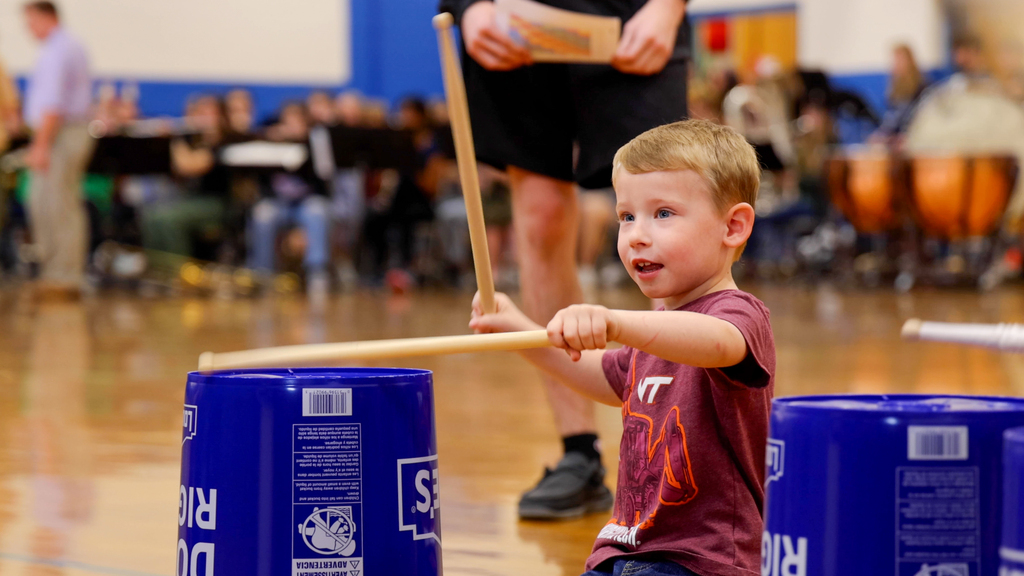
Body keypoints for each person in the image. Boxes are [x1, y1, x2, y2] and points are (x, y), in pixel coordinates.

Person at [470, 120, 774, 576]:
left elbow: (716, 342)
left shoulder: (740, 314)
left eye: (663, 214)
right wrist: (519, 333)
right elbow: (605, 377)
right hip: (625, 548)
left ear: (733, 226)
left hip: (703, 558)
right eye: (626, 216)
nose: (636, 235)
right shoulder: (658, 327)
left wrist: (615, 322)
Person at [439, 0, 691, 519]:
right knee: (542, 217)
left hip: (626, 14)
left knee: (668, 201)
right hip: (517, 27)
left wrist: (668, 7)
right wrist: (470, 7)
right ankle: (579, 453)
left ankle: (686, 441)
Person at [22, 1, 93, 299]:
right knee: (45, 201)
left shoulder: (59, 49)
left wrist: (40, 144)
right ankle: (55, 273)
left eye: (30, 21)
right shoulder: (64, 47)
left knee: (58, 205)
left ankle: (65, 278)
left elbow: (53, 104)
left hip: (61, 134)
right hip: (59, 133)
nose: (27, 29)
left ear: (46, 16)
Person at [870, 44, 927, 145]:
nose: (896, 64)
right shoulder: (894, 86)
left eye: (900, 60)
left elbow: (918, 117)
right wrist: (882, 134)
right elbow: (891, 117)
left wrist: (904, 135)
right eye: (895, 60)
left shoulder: (921, 86)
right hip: (895, 136)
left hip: (913, 135)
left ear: (910, 61)